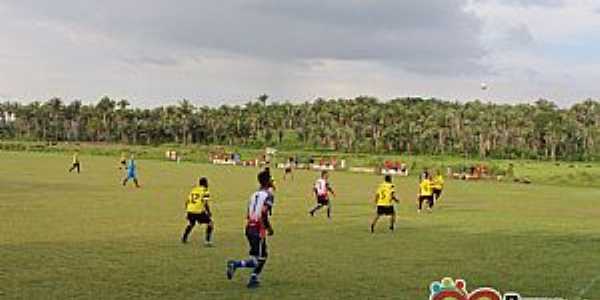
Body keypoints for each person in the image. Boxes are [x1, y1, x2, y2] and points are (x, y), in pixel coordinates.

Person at [226, 170, 275, 289]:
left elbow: (249, 213)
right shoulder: (268, 195)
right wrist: (268, 228)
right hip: (258, 228)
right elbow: (263, 213)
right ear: (268, 181)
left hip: (249, 227)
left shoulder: (254, 195)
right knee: (259, 258)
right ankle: (236, 264)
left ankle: (254, 278)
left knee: (261, 255)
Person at [181, 177, 214, 246]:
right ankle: (207, 241)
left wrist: (187, 210)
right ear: (205, 183)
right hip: (198, 210)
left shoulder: (193, 190)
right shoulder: (205, 191)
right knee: (210, 223)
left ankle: (184, 238)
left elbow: (187, 201)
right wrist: (209, 212)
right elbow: (205, 203)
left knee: (191, 223)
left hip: (190, 210)